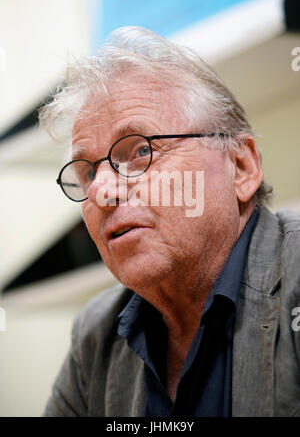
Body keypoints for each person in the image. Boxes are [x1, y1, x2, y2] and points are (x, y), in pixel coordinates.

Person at [39, 26, 300, 417]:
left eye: (141, 150)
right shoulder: (94, 336)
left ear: (241, 168)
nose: (100, 192)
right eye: (89, 174)